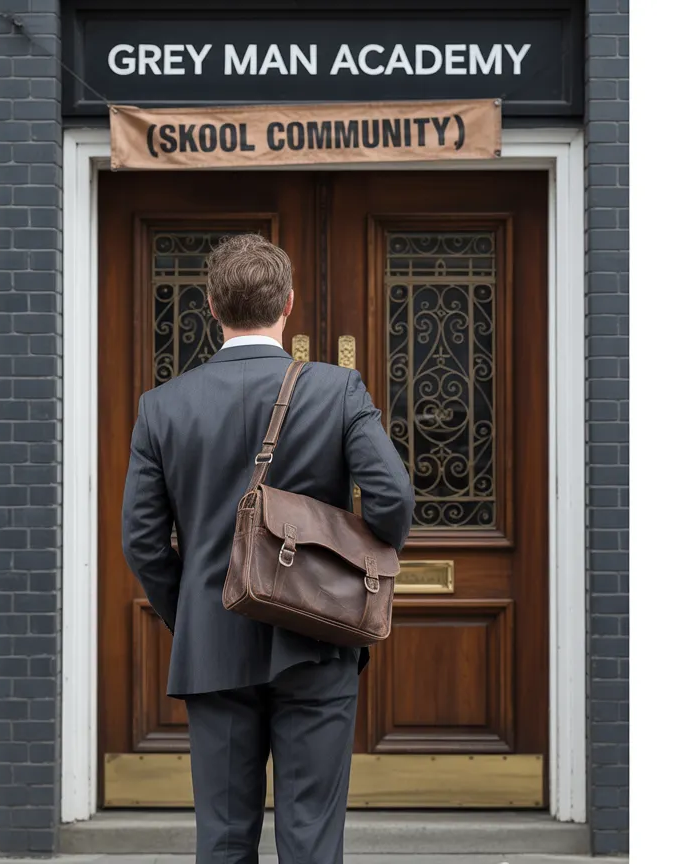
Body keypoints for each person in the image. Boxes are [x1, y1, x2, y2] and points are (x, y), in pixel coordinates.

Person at [121, 233, 415, 864]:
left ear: (210, 306)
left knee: (224, 838)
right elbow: (392, 499)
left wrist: (195, 613)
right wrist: (355, 568)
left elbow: (142, 541)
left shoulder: (161, 408)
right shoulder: (338, 391)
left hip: (213, 644)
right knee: (310, 837)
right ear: (288, 302)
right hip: (317, 639)